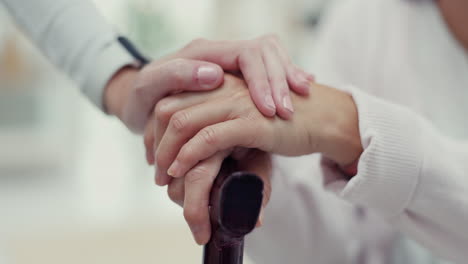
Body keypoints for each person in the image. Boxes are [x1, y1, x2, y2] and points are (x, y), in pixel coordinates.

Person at [145, 0, 468, 263]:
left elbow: (326, 121)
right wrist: (252, 162)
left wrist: (349, 124)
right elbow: (337, 250)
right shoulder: (367, 19)